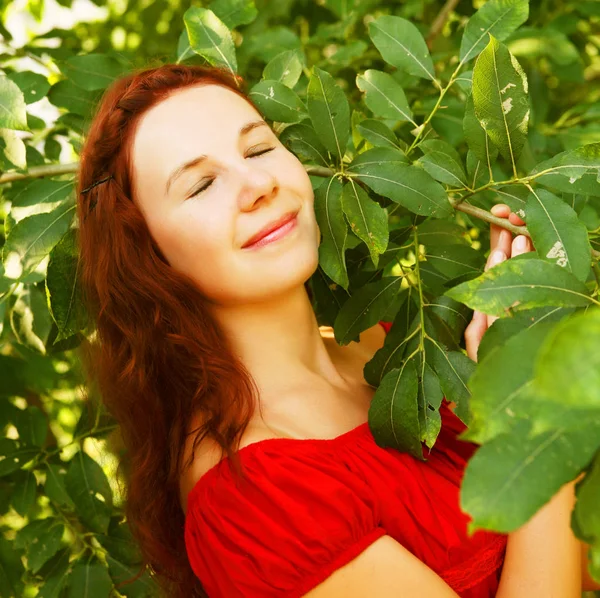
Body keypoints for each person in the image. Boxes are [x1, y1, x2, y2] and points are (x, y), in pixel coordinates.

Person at [75, 63, 595, 598]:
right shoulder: (252, 500)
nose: (259, 184)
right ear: (147, 255)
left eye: (258, 149)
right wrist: (530, 411)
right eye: (202, 184)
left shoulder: (398, 343)